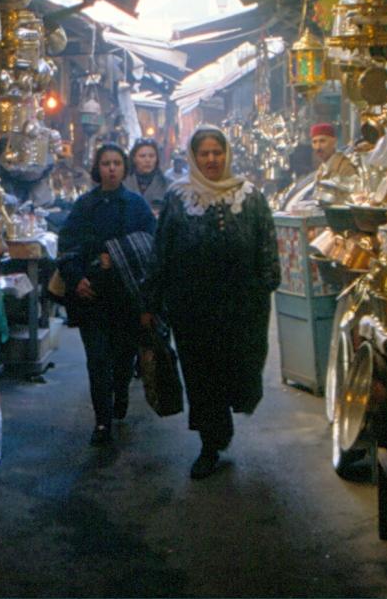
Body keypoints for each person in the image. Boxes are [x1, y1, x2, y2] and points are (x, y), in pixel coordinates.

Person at [143, 125, 280, 480]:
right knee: (202, 377)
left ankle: (222, 424)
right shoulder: (178, 198)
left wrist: (266, 284)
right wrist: (152, 300)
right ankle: (210, 444)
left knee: (239, 371)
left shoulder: (250, 197)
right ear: (193, 157)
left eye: (217, 152)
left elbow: (267, 245)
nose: (211, 159)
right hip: (192, 308)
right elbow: (163, 251)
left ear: (227, 155)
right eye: (203, 153)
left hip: (241, 308)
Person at [57, 142, 156, 446]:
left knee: (123, 356)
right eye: (105, 163)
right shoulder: (85, 206)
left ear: (124, 167)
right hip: (92, 296)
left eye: (116, 163)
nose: (111, 168)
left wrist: (119, 253)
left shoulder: (137, 205)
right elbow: (67, 246)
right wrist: (76, 279)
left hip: (125, 296)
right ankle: (102, 421)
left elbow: (151, 244)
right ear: (97, 169)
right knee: (97, 359)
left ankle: (121, 393)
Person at [123, 137, 169, 215]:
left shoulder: (166, 184)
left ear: (156, 159)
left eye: (151, 156)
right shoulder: (123, 182)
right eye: (142, 156)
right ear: (134, 159)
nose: (147, 160)